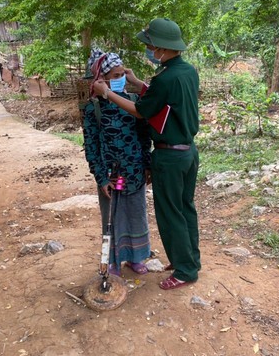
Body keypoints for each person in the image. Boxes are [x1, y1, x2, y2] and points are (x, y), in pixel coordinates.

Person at [92, 18, 200, 290]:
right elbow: (164, 100)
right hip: (187, 153)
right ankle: (187, 260)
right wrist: (138, 82)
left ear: (162, 47)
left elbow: (142, 111)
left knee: (170, 213)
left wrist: (107, 94)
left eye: (151, 45)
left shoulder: (165, 78)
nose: (149, 50)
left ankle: (185, 270)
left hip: (168, 157)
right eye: (112, 77)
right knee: (185, 209)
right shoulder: (186, 72)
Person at [83, 49, 152, 277]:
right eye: (114, 75)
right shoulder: (93, 109)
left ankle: (136, 257)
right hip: (112, 175)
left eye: (122, 73)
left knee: (136, 212)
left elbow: (144, 137)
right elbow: (92, 146)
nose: (120, 78)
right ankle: (112, 261)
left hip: (134, 171)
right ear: (100, 80)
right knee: (112, 215)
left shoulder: (135, 103)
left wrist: (147, 164)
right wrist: (100, 176)